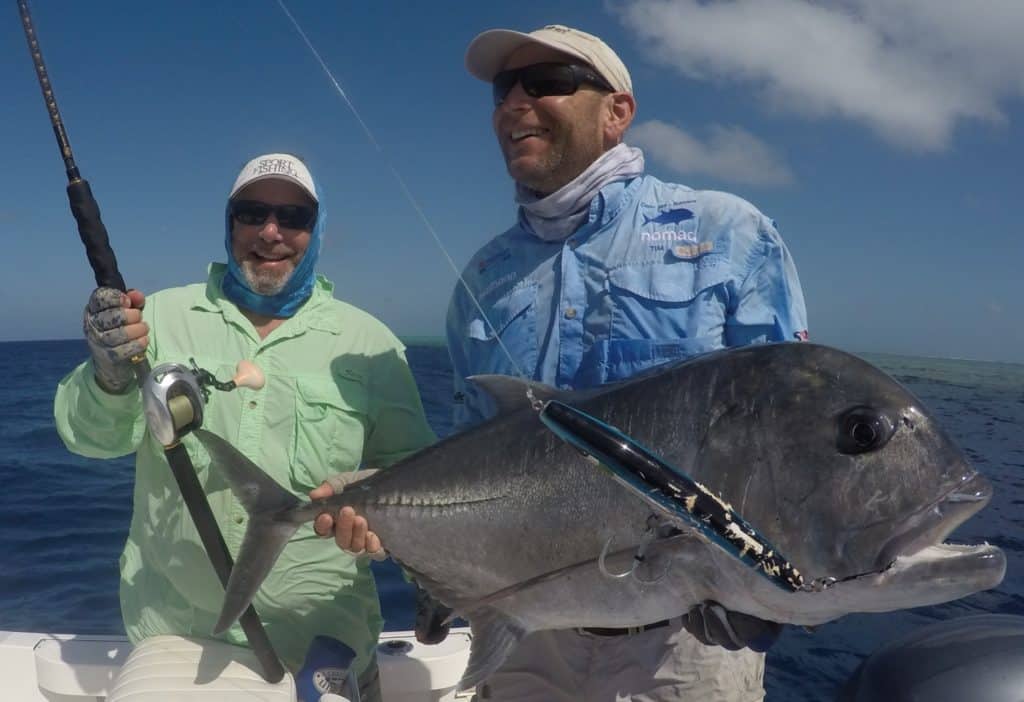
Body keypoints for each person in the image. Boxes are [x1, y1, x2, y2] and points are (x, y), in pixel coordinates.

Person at [442, 24, 809, 702]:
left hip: (686, 648)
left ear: (617, 113)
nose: (515, 102)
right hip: (529, 639)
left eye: (546, 81)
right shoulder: (484, 275)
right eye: (503, 89)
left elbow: (791, 438)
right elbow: (465, 459)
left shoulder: (727, 233)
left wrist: (772, 586)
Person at [54, 152, 436, 701]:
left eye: (294, 217)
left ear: (317, 228)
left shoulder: (370, 343)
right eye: (252, 213)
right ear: (229, 222)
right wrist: (110, 376)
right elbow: (88, 438)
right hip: (177, 640)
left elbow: (416, 479)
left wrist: (385, 524)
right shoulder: (158, 318)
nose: (271, 232)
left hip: (324, 646)